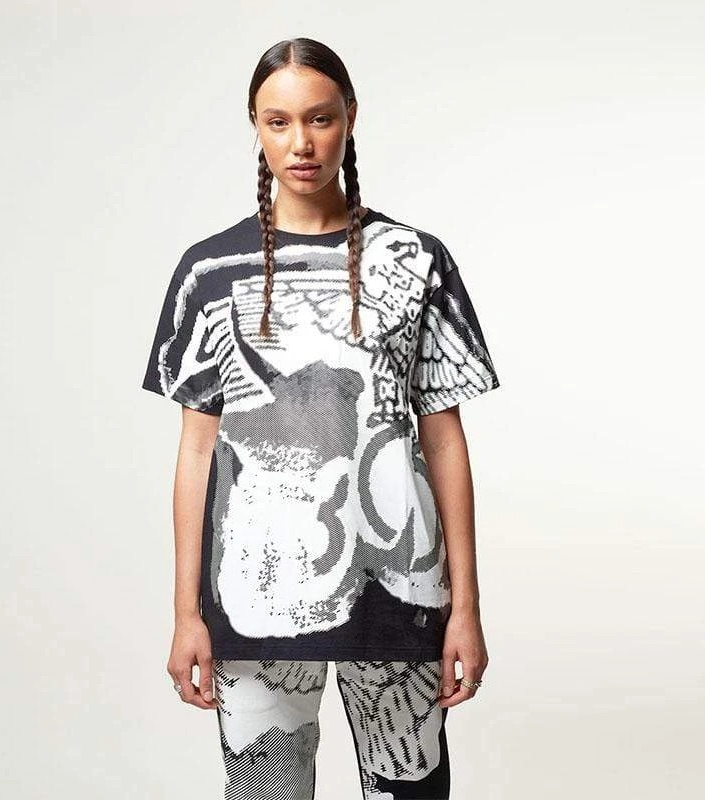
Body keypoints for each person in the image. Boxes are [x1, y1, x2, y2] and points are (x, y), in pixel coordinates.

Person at [141, 37, 501, 800]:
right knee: (265, 792)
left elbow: (444, 440)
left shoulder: (417, 260)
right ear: (255, 126)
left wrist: (466, 608)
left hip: (403, 592)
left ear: (350, 118)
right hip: (251, 594)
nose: (300, 143)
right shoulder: (208, 273)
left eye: (319, 118)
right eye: (278, 122)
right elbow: (197, 453)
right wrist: (185, 613)